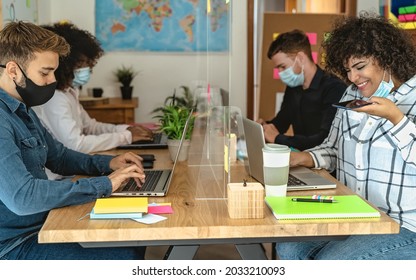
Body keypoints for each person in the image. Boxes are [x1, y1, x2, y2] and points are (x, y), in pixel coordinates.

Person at [0, 21, 146, 260]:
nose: (52, 81)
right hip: (12, 246)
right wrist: (104, 185)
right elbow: (23, 197)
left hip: (40, 225)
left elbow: (59, 157)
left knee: (132, 236)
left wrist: (108, 165)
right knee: (125, 255)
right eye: (45, 72)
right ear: (13, 71)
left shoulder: (22, 109)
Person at [277, 13, 416, 260]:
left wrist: (396, 118)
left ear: (386, 58)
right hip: (357, 212)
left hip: (403, 225)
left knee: (330, 263)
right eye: (348, 69)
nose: (352, 78)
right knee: (288, 247)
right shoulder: (352, 95)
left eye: (360, 67)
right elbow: (333, 148)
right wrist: (302, 158)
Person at [33, 22, 153, 157]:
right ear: (66, 63)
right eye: (83, 64)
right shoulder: (54, 98)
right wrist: (126, 137)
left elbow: (90, 127)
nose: (88, 69)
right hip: (61, 176)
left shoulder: (69, 91)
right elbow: (76, 145)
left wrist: (126, 129)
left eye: (90, 65)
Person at [257, 29, 347, 151]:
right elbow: (281, 122)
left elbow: (324, 140)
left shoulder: (334, 88)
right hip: (300, 159)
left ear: (300, 58)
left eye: (282, 67)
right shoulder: (293, 86)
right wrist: (264, 127)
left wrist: (278, 139)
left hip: (324, 165)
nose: (280, 73)